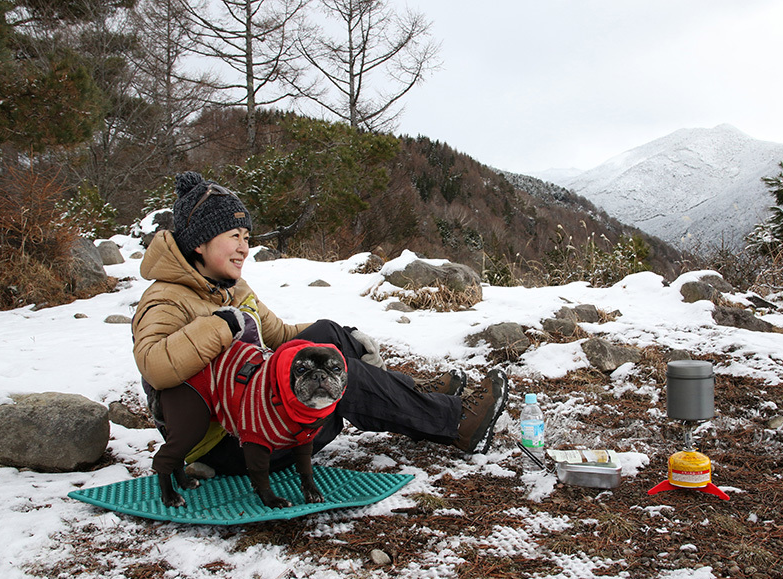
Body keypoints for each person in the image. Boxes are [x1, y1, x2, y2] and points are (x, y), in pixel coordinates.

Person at [132, 171, 508, 481]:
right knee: (333, 374)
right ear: (199, 243)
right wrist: (219, 327)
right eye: (234, 237)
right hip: (230, 441)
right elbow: (155, 366)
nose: (244, 248)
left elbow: (277, 336)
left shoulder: (233, 287)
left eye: (246, 237)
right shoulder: (166, 297)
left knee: (327, 335)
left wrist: (348, 338)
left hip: (255, 403)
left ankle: (413, 393)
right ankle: (455, 421)